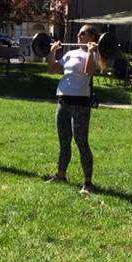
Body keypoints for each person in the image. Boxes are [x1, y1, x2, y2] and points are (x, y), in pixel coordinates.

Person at [43, 24, 106, 194]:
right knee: (64, 142)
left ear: (92, 37)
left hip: (80, 103)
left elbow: (88, 71)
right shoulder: (70, 53)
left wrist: (92, 52)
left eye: (83, 33)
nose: (78, 35)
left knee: (81, 141)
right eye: (79, 33)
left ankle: (87, 182)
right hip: (63, 100)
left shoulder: (94, 54)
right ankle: (61, 175)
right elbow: (53, 69)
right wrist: (52, 52)